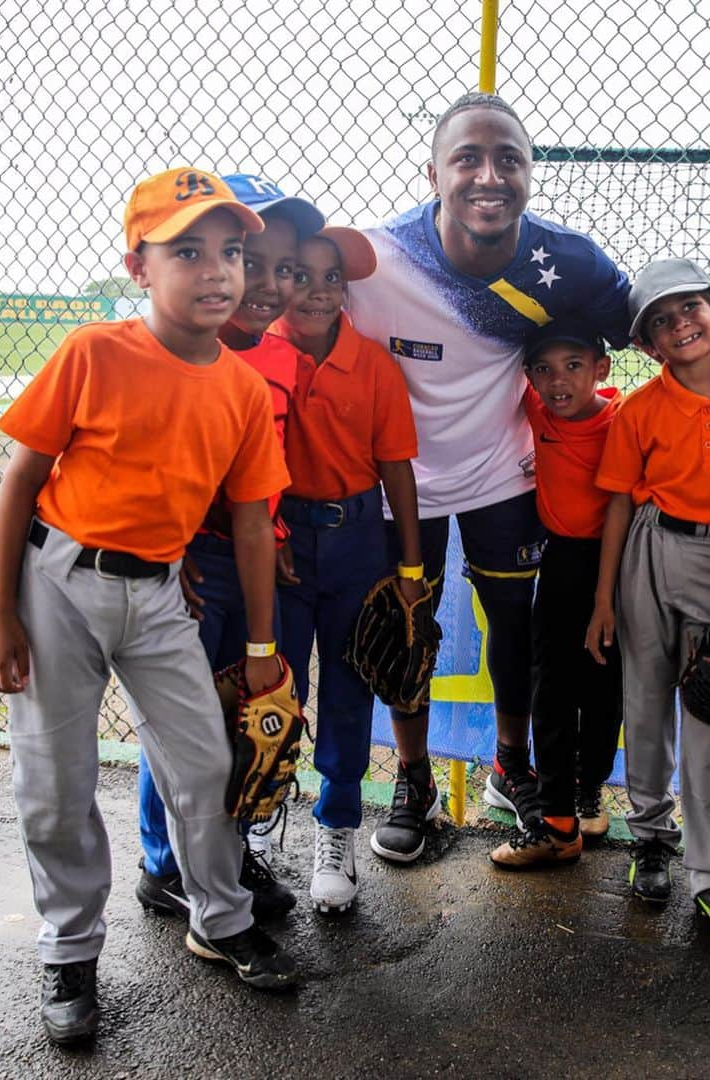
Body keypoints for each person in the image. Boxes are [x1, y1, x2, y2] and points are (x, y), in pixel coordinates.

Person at [346, 92, 710, 863]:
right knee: (407, 634)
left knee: (517, 633)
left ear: (532, 173)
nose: (488, 176)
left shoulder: (566, 260)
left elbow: (657, 326)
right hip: (402, 483)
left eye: (509, 160)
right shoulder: (378, 256)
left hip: (503, 473)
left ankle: (511, 767)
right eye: (467, 158)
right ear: (432, 172)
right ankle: (414, 779)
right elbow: (292, 296)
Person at [0, 168, 300, 1045]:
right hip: (58, 585)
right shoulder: (95, 352)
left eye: (231, 251)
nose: (217, 271)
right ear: (138, 265)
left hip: (158, 593)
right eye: (187, 250)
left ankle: (221, 918)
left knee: (202, 764)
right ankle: (70, 950)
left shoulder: (237, 386)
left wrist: (264, 648)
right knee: (56, 784)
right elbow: (21, 481)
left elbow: (250, 525)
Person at [134, 172, 326, 924]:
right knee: (182, 719)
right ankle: (164, 863)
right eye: (255, 259)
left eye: (284, 267)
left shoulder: (280, 359)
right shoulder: (191, 350)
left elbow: (264, 475)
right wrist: (171, 542)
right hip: (192, 561)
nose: (270, 283)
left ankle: (228, 845)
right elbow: (154, 458)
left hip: (249, 557)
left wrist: (276, 533)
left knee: (250, 710)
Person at [586, 258, 710, 956]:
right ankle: (650, 838)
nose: (680, 324)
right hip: (646, 549)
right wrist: (604, 600)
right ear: (649, 346)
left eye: (690, 308)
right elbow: (616, 502)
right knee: (643, 706)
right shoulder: (639, 409)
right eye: (662, 322)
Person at [269, 225, 425, 902]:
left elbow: (396, 467)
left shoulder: (373, 364)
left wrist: (413, 571)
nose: (317, 291)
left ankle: (336, 828)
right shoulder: (258, 351)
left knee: (348, 684)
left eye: (332, 278)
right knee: (275, 687)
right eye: (299, 275)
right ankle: (259, 813)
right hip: (278, 538)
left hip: (357, 535)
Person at [489, 318, 623, 868]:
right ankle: (556, 819)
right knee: (551, 688)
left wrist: (606, 600)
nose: (558, 381)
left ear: (601, 369)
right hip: (561, 561)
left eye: (573, 366)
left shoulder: (623, 421)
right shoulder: (538, 408)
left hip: (614, 566)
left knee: (605, 686)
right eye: (543, 369)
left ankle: (587, 790)